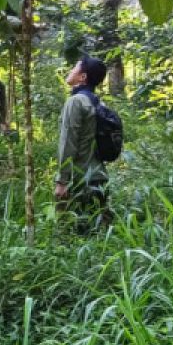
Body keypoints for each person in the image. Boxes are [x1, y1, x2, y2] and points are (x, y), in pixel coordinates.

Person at [55, 54, 111, 229]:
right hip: (99, 178)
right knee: (98, 236)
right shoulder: (97, 103)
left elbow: (68, 142)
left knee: (70, 234)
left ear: (83, 77)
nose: (71, 70)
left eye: (75, 67)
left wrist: (62, 181)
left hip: (79, 181)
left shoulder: (75, 102)